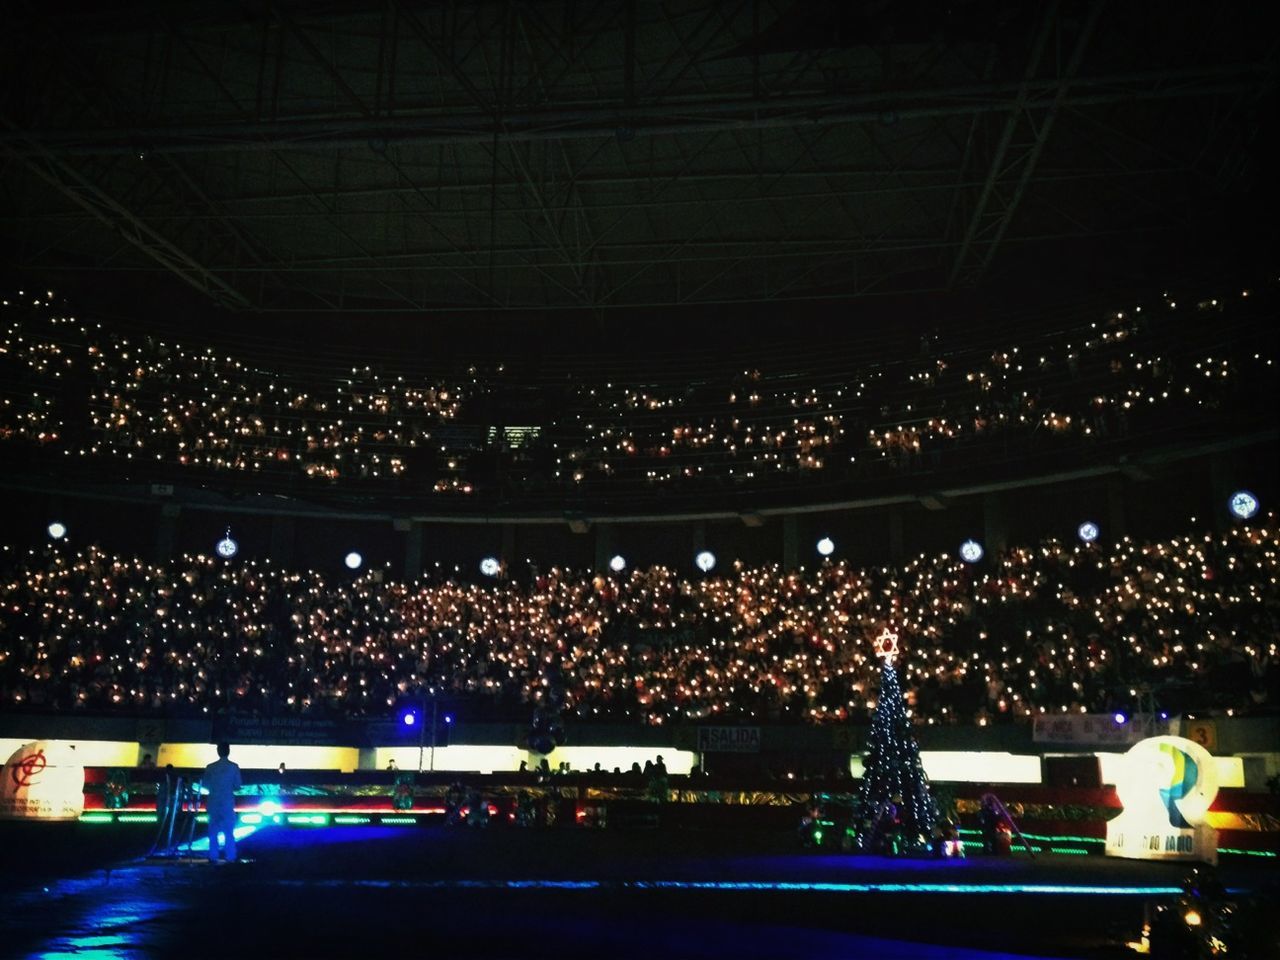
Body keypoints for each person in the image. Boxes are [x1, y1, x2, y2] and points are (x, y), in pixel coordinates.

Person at [203, 743, 242, 863]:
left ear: (218, 751)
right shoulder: (234, 767)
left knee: (213, 831)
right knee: (229, 831)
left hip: (213, 802)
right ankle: (230, 855)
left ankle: (213, 855)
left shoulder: (210, 767)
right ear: (228, 751)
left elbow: (205, 784)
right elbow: (237, 785)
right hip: (227, 802)